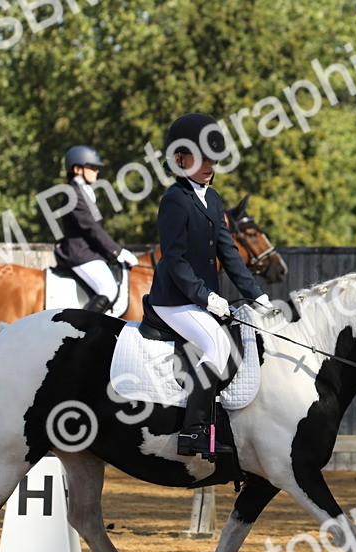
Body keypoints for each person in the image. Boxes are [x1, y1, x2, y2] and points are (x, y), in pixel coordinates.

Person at [144, 113, 274, 458]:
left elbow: (229, 253)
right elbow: (175, 259)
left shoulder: (214, 200)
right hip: (173, 300)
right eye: (201, 158)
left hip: (200, 300)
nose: (209, 165)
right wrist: (206, 297)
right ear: (180, 158)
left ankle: (220, 425)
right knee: (217, 343)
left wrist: (258, 296)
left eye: (213, 159)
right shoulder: (174, 199)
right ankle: (193, 430)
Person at [55, 145, 139, 314]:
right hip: (80, 254)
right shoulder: (73, 194)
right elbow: (92, 228)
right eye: (92, 167)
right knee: (109, 289)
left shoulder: (83, 191)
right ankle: (83, 327)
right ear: (77, 169)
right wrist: (118, 251)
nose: (96, 171)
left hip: (90, 252)